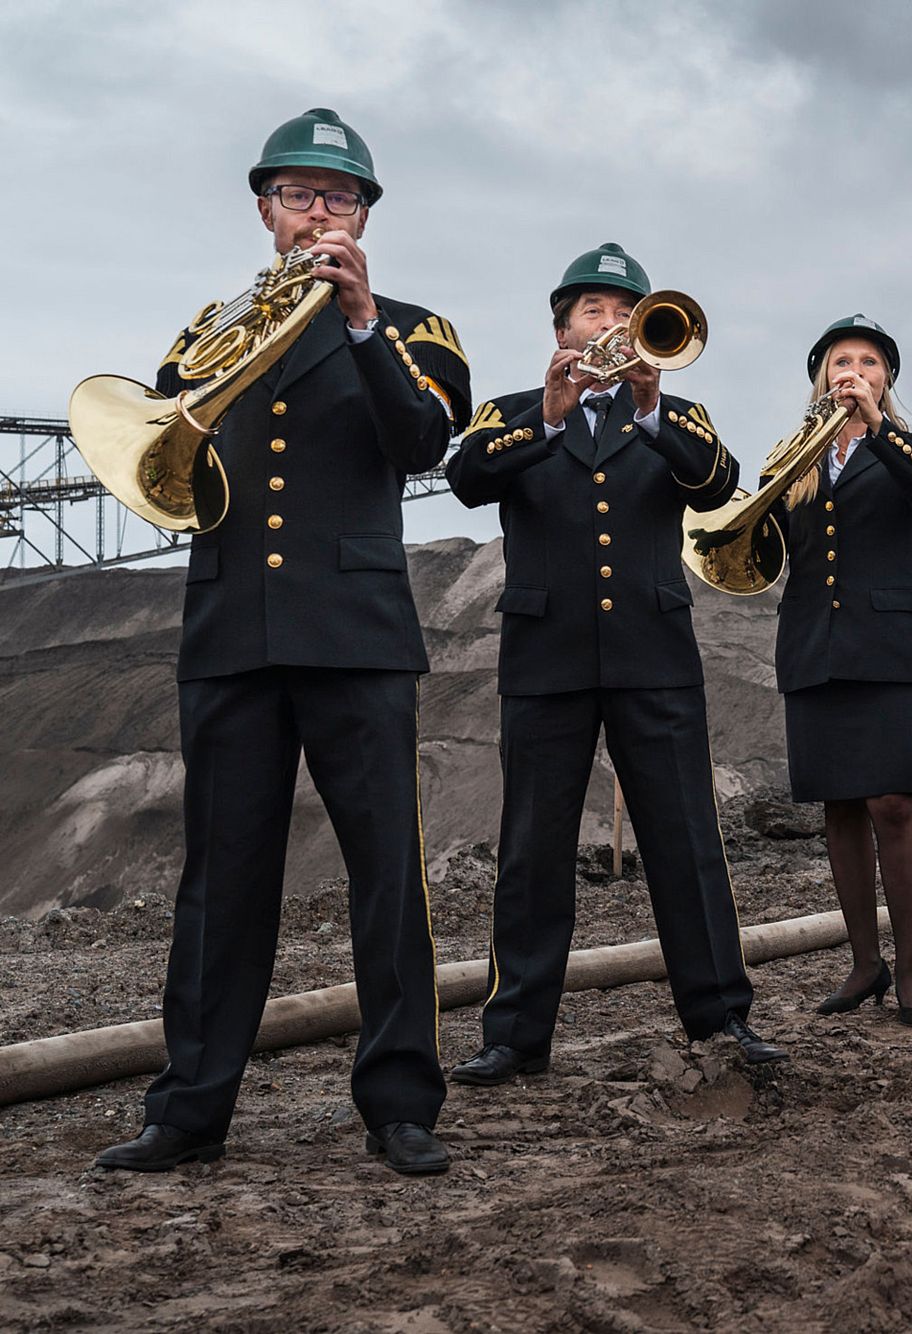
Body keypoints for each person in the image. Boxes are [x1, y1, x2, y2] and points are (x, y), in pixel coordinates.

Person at [97, 109, 473, 1175]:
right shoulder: (205, 330)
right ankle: (189, 1109)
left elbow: (420, 441)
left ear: (365, 215)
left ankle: (401, 1100)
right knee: (221, 880)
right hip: (230, 630)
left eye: (338, 195)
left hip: (354, 632)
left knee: (385, 876)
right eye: (299, 193)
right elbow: (166, 465)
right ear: (265, 209)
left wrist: (358, 323)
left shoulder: (415, 328)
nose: (318, 209)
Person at [443, 242, 783, 1086]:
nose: (611, 323)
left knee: (687, 841)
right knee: (531, 849)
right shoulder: (513, 411)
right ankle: (516, 1035)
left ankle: (722, 1018)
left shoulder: (678, 415)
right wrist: (550, 418)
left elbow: (718, 486)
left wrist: (653, 405)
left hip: (654, 654)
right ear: (562, 329)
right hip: (544, 655)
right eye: (593, 311)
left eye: (624, 313)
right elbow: (467, 478)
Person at [774, 315, 912, 1027]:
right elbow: (763, 543)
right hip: (812, 644)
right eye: (841, 361)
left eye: (869, 362)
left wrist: (878, 424)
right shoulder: (795, 456)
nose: (853, 370)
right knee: (840, 806)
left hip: (886, 645)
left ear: (886, 378)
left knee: (893, 803)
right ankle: (863, 963)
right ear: (821, 375)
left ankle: (909, 967)